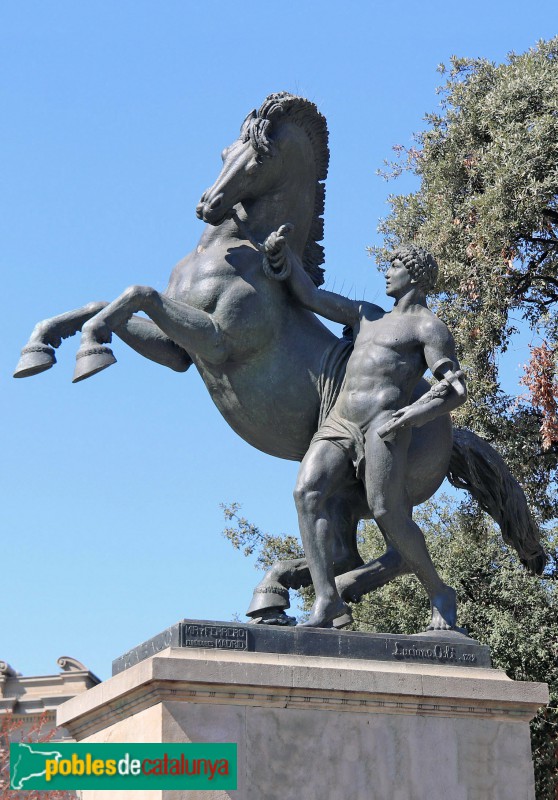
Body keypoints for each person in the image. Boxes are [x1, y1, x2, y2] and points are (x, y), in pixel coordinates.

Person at [263, 232, 467, 629]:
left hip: (383, 428)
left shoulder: (428, 329)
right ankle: (327, 601)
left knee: (388, 513)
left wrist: (410, 418)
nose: (387, 273)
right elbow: (311, 297)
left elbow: (455, 390)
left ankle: (440, 592)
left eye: (395, 266)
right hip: (340, 422)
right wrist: (282, 253)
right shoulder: (367, 314)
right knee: (306, 493)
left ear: (415, 275)